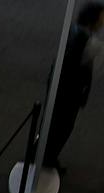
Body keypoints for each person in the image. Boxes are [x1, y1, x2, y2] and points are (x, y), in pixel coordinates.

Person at [42, 3, 104, 172]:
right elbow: (94, 68)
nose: (103, 21)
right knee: (62, 127)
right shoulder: (90, 43)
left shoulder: (74, 30)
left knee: (54, 122)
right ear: (93, 19)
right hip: (69, 91)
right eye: (101, 17)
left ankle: (45, 155)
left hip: (59, 84)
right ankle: (47, 159)